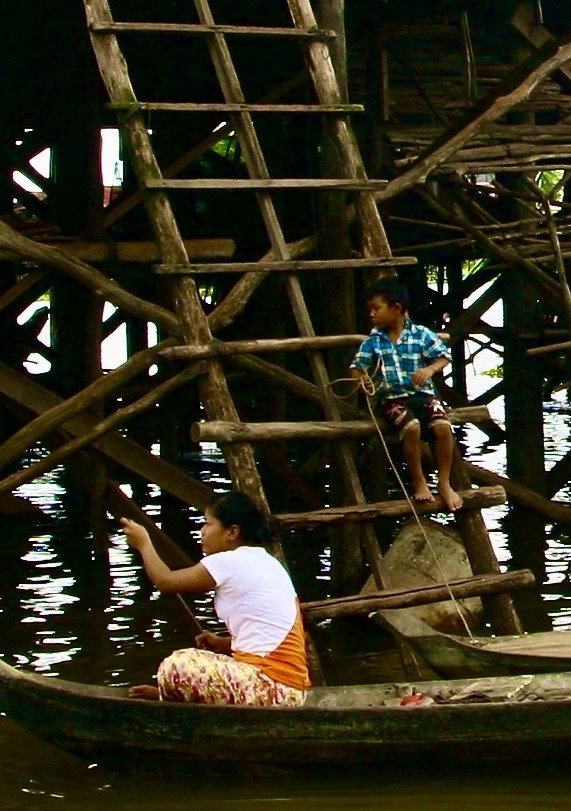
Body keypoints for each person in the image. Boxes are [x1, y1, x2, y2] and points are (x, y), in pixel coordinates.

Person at [119, 495, 307, 706]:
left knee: (176, 665)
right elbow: (265, 635)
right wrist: (223, 642)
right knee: (190, 661)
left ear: (232, 532)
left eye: (208, 523)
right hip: (288, 690)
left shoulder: (230, 561)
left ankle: (168, 697)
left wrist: (144, 543)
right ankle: (168, 695)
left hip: (274, 689)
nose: (202, 531)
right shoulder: (267, 561)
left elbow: (165, 581)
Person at [353, 282, 464, 513]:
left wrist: (429, 370)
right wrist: (362, 379)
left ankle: (444, 482)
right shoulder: (374, 340)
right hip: (392, 399)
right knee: (412, 428)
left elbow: (443, 358)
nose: (371, 314)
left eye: (376, 308)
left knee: (443, 427)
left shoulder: (421, 334)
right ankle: (419, 481)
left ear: (396, 308)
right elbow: (357, 366)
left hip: (422, 395)